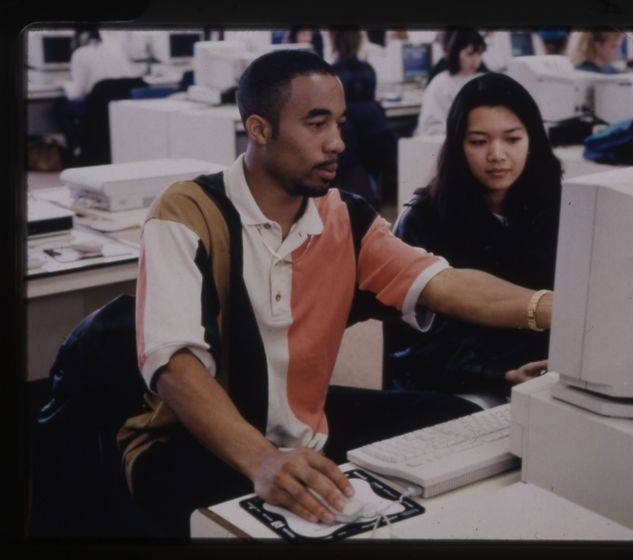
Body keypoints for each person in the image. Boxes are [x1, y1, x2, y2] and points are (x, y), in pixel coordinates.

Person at [118, 50, 555, 537]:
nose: (338, 143)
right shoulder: (186, 210)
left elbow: (443, 283)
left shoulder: (344, 215)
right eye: (316, 124)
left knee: (461, 428)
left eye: (340, 124)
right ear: (259, 130)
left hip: (303, 430)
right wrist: (263, 462)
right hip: (187, 443)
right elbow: (176, 369)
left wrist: (554, 309)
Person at [383, 73, 561, 408]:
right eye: (478, 142)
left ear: (532, 140)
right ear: (457, 146)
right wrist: (502, 374)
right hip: (460, 388)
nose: (496, 154)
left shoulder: (558, 207)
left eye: (512, 139)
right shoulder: (422, 219)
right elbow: (417, 347)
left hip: (544, 379)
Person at [329, 27, 397, 204]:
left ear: (333, 41)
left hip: (350, 144)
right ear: (359, 41)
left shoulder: (330, 73)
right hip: (375, 141)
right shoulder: (368, 69)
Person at [54, 23, 141, 160]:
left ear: (80, 38)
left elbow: (75, 94)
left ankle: (75, 148)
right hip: (120, 105)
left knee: (60, 108)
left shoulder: (80, 54)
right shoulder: (115, 49)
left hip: (97, 107)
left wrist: (63, 84)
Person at [416, 29, 486, 136]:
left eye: (479, 53)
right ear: (456, 52)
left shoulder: (484, 79)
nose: (476, 60)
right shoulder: (441, 83)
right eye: (470, 54)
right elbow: (432, 129)